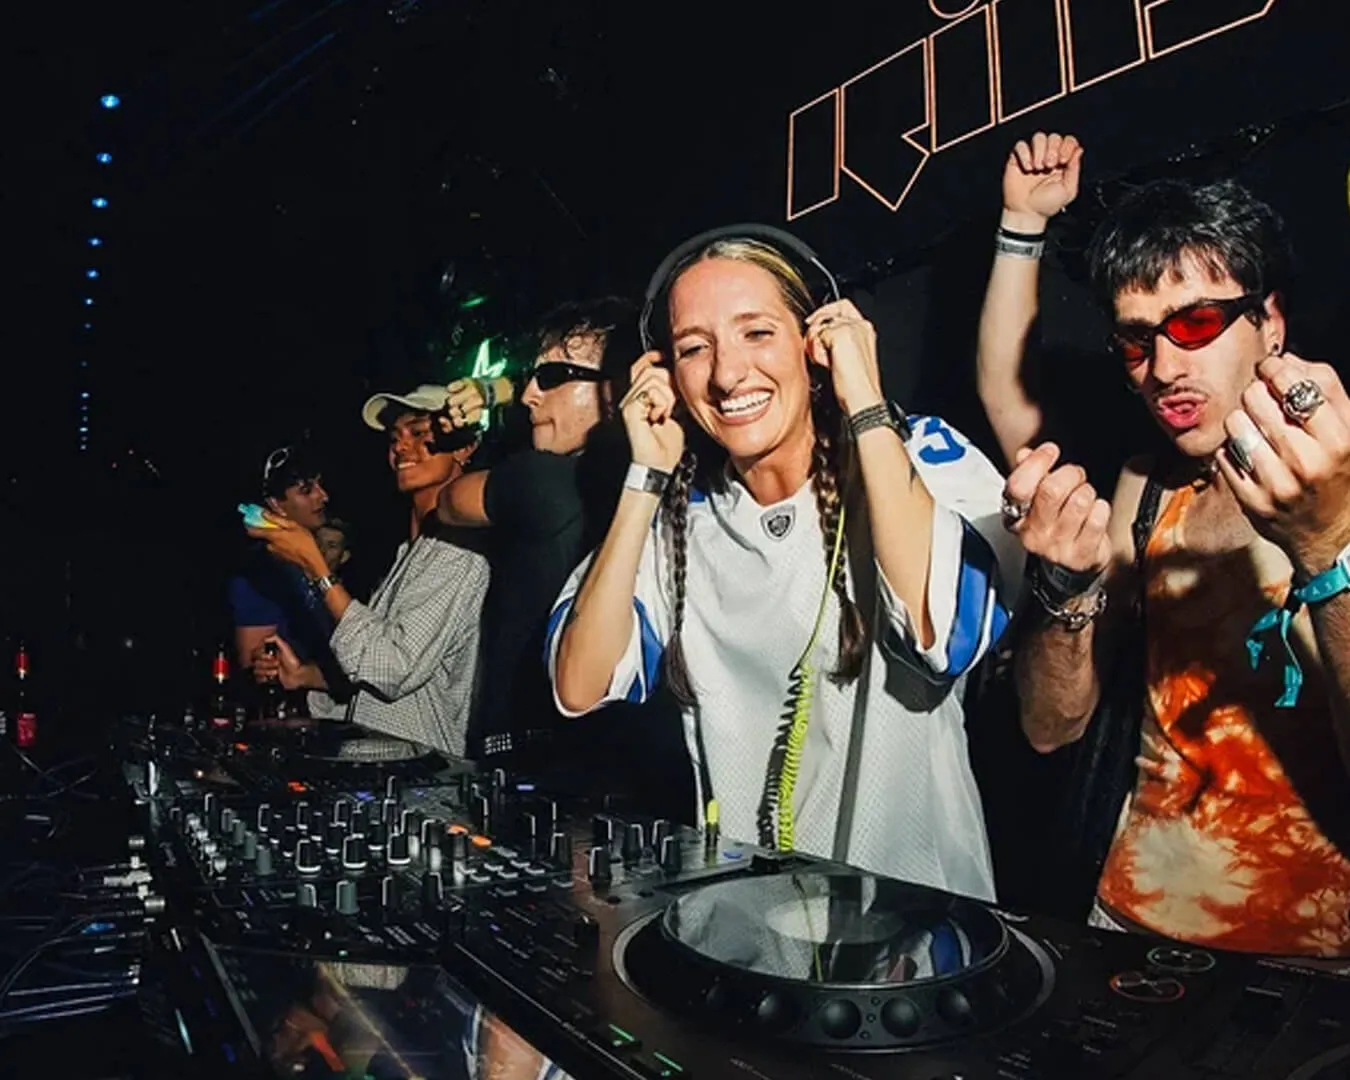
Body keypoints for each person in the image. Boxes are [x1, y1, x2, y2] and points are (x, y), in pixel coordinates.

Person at [547, 229, 1023, 899]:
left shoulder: (919, 452)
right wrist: (644, 476)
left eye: (757, 333)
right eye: (694, 348)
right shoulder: (680, 519)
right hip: (746, 926)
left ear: (816, 339)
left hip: (921, 923)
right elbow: (579, 685)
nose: (727, 374)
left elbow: (943, 635)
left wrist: (865, 403)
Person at [1003, 174, 1350, 957]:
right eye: (1137, 340)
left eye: (1195, 323)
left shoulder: (1343, 475)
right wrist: (1063, 585)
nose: (1162, 368)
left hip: (1312, 960)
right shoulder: (1147, 485)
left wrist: (1327, 546)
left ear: (1269, 324)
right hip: (1127, 922)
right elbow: (1050, 727)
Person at [435, 299, 636, 760]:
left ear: (618, 389)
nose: (528, 394)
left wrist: (492, 402)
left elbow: (448, 504)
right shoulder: (645, 488)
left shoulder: (540, 480)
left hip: (521, 755)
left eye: (550, 378)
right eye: (528, 378)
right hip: (605, 757)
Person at [249, 387, 489, 758]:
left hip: (420, 781)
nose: (401, 447)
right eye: (394, 438)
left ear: (464, 448)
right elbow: (375, 687)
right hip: (384, 774)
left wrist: (315, 566)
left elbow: (391, 669)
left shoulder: (458, 554)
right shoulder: (410, 552)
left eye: (419, 433)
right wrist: (304, 676)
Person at [228, 442, 339, 675]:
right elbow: (254, 666)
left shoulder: (318, 560)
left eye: (321, 486)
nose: (323, 496)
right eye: (306, 490)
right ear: (276, 504)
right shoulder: (260, 572)